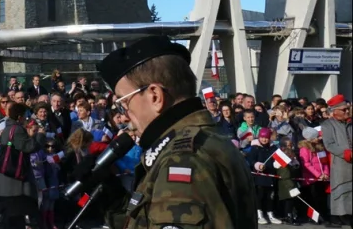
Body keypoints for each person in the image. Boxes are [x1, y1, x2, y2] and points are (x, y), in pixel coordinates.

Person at [98, 35, 257, 229]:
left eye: (123, 103)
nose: (125, 115)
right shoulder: (206, 140)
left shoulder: (183, 158)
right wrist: (111, 199)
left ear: (155, 96)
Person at [320, 94, 351, 227]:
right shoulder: (327, 125)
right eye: (344, 110)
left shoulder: (350, 123)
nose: (347, 112)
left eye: (347, 109)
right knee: (340, 190)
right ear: (336, 111)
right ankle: (338, 216)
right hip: (339, 162)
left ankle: (349, 215)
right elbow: (329, 144)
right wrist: (345, 153)